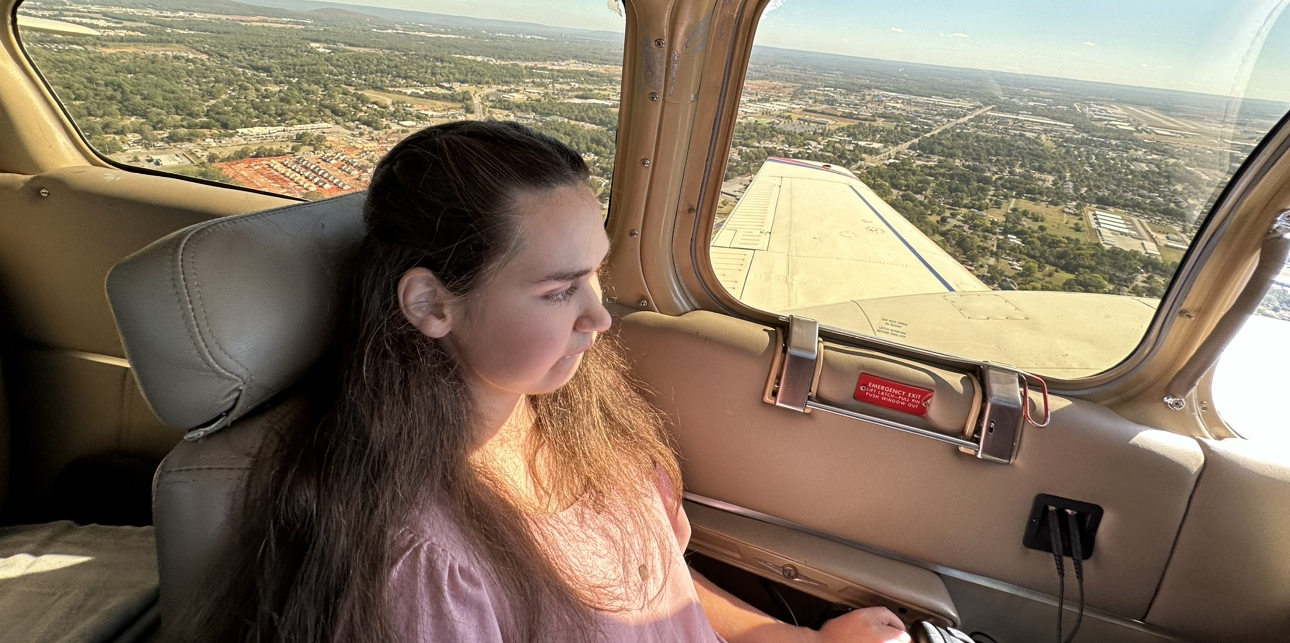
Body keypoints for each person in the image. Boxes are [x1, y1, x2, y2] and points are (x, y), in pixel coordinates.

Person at [183, 121, 911, 643]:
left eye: (595, 275)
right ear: (432, 305)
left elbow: (654, 586)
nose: (600, 317)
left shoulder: (579, 419)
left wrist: (795, 639)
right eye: (559, 290)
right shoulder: (426, 566)